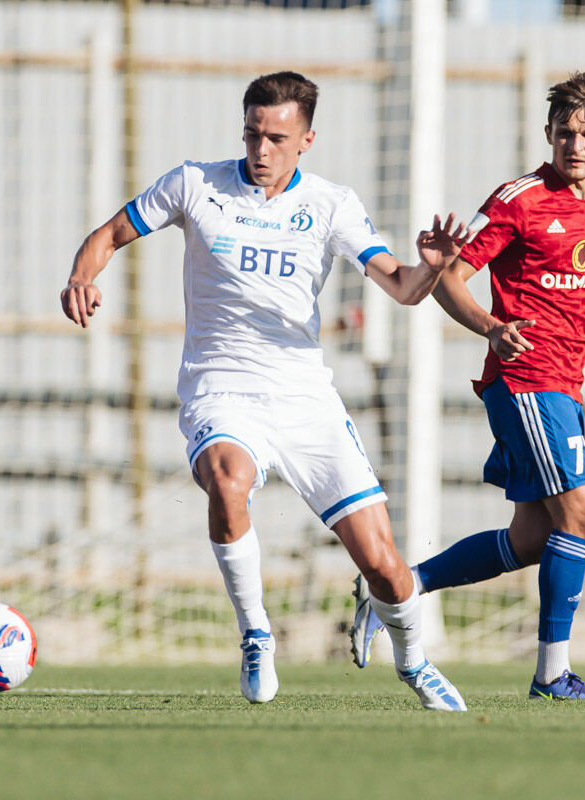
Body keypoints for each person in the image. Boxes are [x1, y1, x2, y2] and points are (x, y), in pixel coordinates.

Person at [61, 71, 470, 710]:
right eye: (252, 133)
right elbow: (108, 235)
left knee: (386, 567)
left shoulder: (332, 204)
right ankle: (255, 631)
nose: (261, 149)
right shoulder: (196, 184)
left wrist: (435, 267)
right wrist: (80, 276)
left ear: (307, 139)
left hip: (305, 400)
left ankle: (415, 663)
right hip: (220, 389)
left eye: (276, 137)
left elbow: (402, 287)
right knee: (226, 479)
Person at [349, 72, 585, 701]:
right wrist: (492, 327)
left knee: (533, 538)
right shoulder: (519, 199)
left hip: (567, 386)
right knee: (584, 515)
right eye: (565, 131)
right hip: (524, 381)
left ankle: (393, 588)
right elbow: (454, 278)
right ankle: (552, 676)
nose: (576, 143)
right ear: (547, 133)